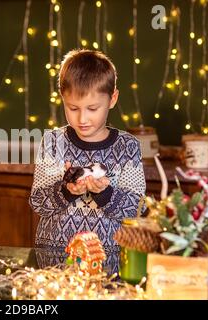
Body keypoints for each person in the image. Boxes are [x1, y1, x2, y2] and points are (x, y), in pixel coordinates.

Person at [29, 49, 146, 275]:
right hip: (55, 260)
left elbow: (139, 209)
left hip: (110, 262)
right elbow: (37, 202)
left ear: (112, 99)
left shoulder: (128, 146)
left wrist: (106, 194)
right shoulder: (53, 142)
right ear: (63, 98)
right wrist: (67, 191)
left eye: (92, 109)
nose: (82, 119)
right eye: (73, 108)